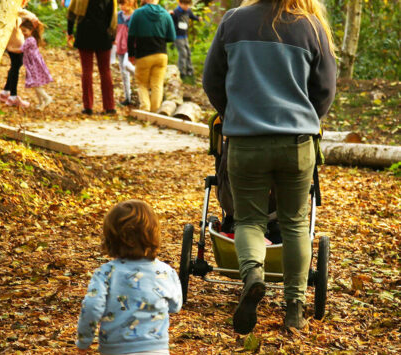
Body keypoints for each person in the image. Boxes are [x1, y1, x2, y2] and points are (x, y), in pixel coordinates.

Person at [202, 0, 336, 333]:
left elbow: (212, 80)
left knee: (249, 219)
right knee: (293, 223)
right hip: (297, 143)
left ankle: (253, 277)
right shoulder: (311, 26)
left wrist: (235, 113)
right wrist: (306, 119)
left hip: (246, 142)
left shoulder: (233, 21)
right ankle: (294, 309)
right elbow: (325, 90)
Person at [76, 200, 182, 354]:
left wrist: (84, 341)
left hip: (116, 349)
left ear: (110, 239)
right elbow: (175, 306)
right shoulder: (166, 272)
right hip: (156, 349)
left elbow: (92, 306)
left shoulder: (105, 273)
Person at [67, 0, 117, 115]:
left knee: (87, 71)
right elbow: (112, 18)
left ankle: (88, 106)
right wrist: (113, 37)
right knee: (105, 71)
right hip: (104, 35)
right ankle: (110, 106)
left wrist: (70, 32)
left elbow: (72, 14)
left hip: (85, 33)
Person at [127, 0, 176, 112]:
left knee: (142, 84)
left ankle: (145, 109)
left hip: (143, 55)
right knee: (157, 84)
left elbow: (131, 36)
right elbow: (172, 37)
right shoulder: (165, 14)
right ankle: (155, 112)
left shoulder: (138, 13)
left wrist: (131, 54)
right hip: (161, 54)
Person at [0, 9, 37, 108]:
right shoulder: (11, 6)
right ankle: (13, 96)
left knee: (15, 66)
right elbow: (16, 10)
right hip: (14, 46)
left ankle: (6, 92)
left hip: (15, 44)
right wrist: (31, 15)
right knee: (15, 68)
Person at [19, 19, 54, 110]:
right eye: (21, 31)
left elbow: (20, 49)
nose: (23, 33)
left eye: (25, 31)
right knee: (36, 85)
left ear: (31, 31)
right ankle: (41, 103)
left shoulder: (30, 40)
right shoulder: (29, 39)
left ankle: (47, 98)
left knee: (36, 84)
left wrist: (9, 48)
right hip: (31, 65)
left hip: (34, 65)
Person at [169, 0, 200, 79]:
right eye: (185, 4)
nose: (187, 6)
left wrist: (198, 18)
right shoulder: (175, 12)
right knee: (183, 53)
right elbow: (171, 23)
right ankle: (182, 72)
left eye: (188, 5)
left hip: (185, 36)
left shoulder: (188, 11)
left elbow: (192, 16)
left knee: (188, 52)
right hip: (178, 37)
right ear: (180, 3)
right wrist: (170, 15)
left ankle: (189, 70)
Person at [115, 0, 136, 106]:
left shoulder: (135, 16)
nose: (121, 6)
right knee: (123, 73)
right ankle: (128, 97)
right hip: (120, 46)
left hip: (131, 47)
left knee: (126, 65)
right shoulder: (118, 16)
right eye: (120, 4)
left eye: (123, 4)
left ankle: (141, 76)